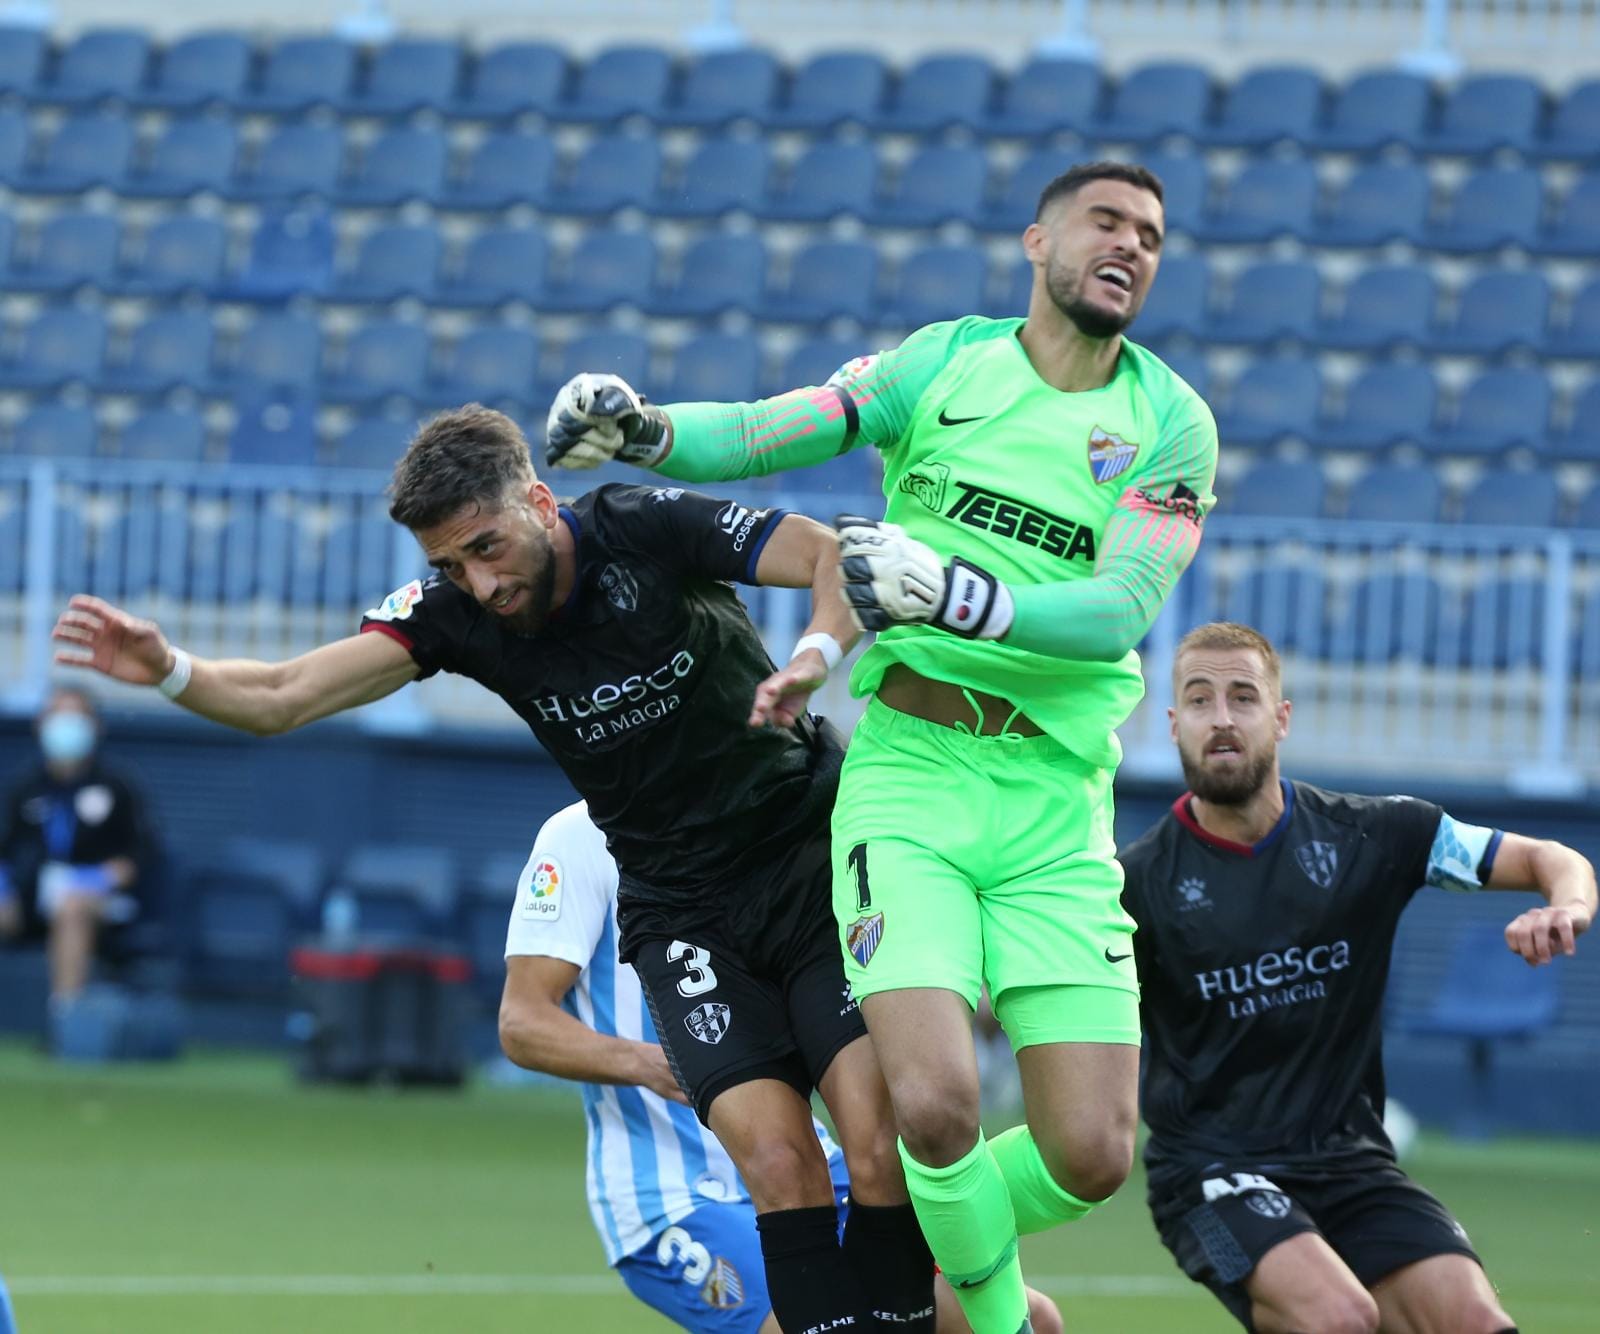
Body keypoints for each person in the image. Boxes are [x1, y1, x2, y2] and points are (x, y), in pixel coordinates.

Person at [51, 407, 935, 1333]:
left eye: (485, 547)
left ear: (539, 501)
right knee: (780, 1170)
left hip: (803, 863)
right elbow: (282, 697)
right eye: (449, 567)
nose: (479, 583)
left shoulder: (638, 525)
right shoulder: (456, 619)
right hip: (682, 912)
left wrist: (813, 656)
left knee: (877, 1148)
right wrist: (171, 670)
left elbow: (835, 555)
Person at [543, 160, 1218, 1333]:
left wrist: (956, 592)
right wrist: (649, 432)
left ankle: (885, 1260)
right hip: (910, 772)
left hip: (1058, 798)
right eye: (1105, 222)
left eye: (1151, 236)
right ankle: (989, 1323)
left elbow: (1116, 610)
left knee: (1095, 1149)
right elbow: (773, 428)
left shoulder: (1171, 421)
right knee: (936, 1107)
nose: (1130, 246)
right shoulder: (942, 363)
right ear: (1036, 240)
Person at [1118, 620, 1596, 1334]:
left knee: (1476, 1322)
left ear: (1280, 719)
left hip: (1350, 1164)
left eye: (1243, 697)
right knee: (1339, 1318)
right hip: (1209, 1176)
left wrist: (1568, 908)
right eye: (1199, 700)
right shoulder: (1135, 883)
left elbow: (1554, 858)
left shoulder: (1375, 835)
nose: (1221, 719)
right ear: (1173, 724)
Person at [500, 799, 1063, 1334]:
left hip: (818, 1167)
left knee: (1031, 1320)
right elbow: (522, 1022)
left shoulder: (770, 814)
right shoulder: (577, 836)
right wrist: (648, 1063)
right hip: (674, 1198)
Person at [0, 685, 150, 1007]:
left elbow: (138, 857)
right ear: (41, 724)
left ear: (95, 726)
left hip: (98, 902)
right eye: (58, 716)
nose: (65, 725)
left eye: (75, 717)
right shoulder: (24, 786)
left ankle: (66, 1021)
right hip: (31, 896)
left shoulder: (117, 784)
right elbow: (6, 849)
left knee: (71, 907)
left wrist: (92, 880)